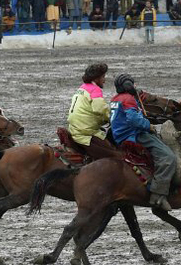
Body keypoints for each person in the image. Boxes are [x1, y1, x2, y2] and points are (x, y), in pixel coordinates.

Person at [109, 74, 175, 211]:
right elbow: (134, 120)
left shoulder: (115, 99)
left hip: (119, 136)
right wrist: (148, 125)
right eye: (133, 84)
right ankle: (158, 194)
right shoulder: (128, 99)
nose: (135, 86)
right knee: (168, 157)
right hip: (134, 136)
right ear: (129, 86)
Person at [66, 63, 117, 160]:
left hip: (74, 128)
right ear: (96, 78)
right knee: (113, 154)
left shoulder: (82, 88)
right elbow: (101, 109)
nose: (104, 80)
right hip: (85, 131)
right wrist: (112, 118)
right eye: (103, 77)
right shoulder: (95, 90)